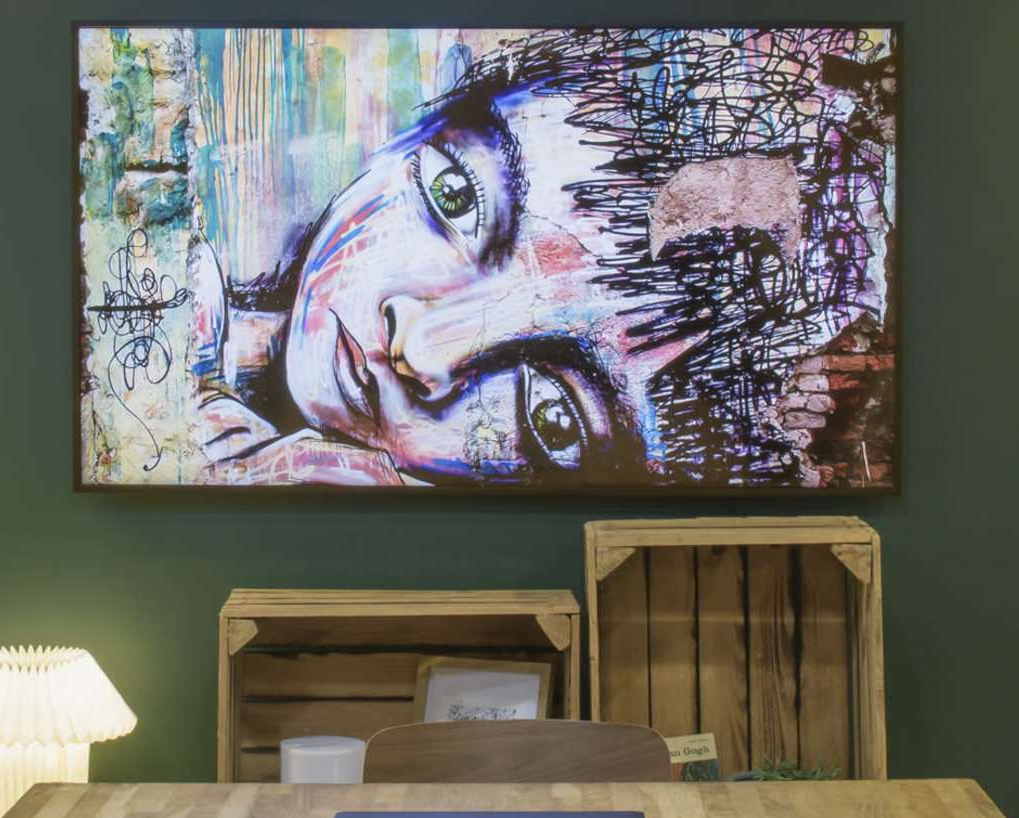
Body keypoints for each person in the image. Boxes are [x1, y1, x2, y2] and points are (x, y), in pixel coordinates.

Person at [174, 27, 894, 489]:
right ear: (416, 131)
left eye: (552, 418)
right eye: (456, 196)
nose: (420, 350)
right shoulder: (164, 309)